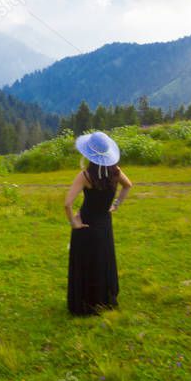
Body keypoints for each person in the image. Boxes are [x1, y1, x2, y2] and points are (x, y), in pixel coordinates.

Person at [64, 131, 132, 315]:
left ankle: (86, 303)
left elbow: (67, 203)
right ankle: (104, 300)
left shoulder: (85, 176)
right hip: (104, 224)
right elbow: (128, 185)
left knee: (86, 263)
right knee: (103, 260)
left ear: (88, 153)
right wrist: (116, 205)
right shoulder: (115, 172)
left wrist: (74, 223)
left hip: (85, 224)